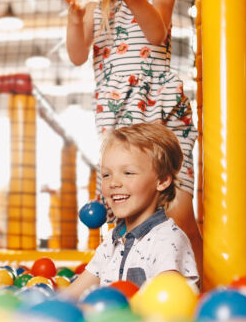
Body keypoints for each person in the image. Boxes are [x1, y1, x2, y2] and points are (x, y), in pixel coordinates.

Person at [57, 0, 203, 277]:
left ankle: (200, 286)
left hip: (161, 113)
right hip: (121, 117)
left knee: (178, 211)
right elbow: (77, 53)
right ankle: (127, 283)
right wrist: (75, 16)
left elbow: (156, 31)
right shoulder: (97, 7)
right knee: (124, 214)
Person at [62, 123, 198, 300]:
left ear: (162, 180)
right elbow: (71, 295)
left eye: (128, 173)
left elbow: (170, 303)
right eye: (106, 175)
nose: (113, 183)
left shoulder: (167, 241)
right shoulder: (112, 242)